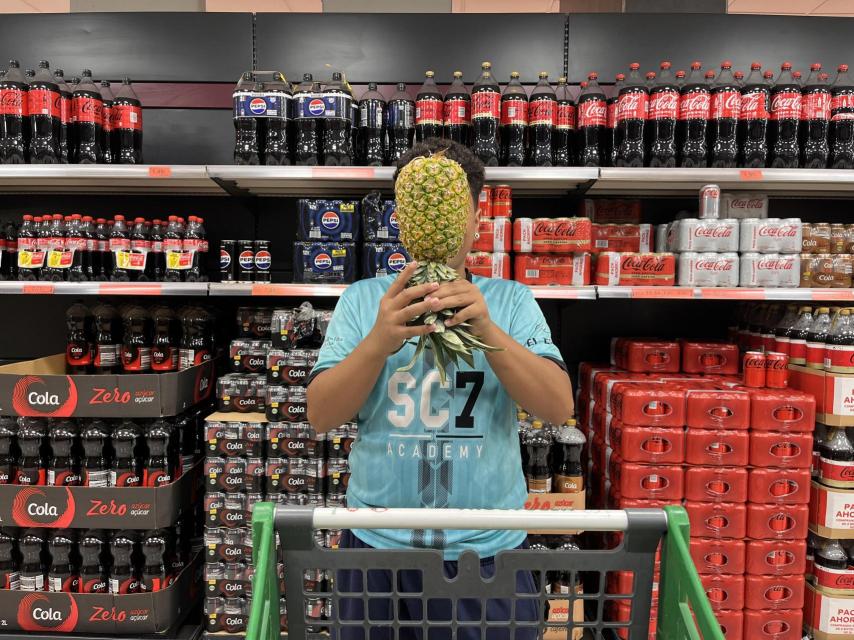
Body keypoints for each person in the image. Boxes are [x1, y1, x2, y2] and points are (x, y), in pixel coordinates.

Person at [307, 138, 574, 640]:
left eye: (455, 207)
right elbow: (320, 415)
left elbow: (559, 406)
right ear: (402, 219)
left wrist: (489, 332)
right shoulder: (364, 301)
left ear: (477, 219)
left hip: (487, 552)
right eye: (421, 206)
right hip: (375, 549)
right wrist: (378, 342)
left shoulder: (511, 302)